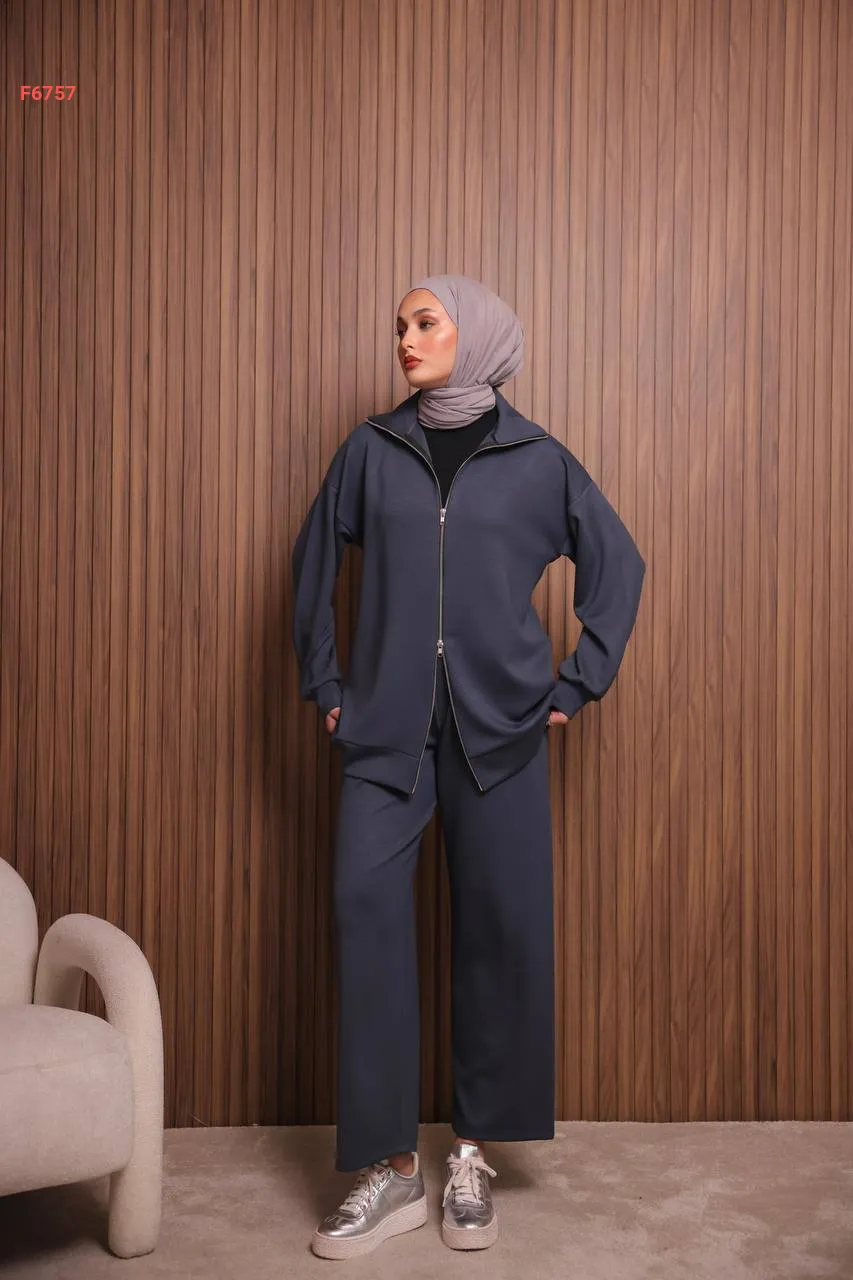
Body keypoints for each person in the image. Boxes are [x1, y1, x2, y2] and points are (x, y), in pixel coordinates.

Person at [291, 274, 646, 1259]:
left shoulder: (538, 460)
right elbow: (311, 564)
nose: (405, 339)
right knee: (365, 913)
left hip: (501, 731)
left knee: (499, 931)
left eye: (425, 322)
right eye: (399, 325)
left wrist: (577, 682)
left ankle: (471, 1155)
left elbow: (617, 564)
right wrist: (326, 679)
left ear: (474, 335)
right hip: (385, 730)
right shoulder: (371, 450)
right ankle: (389, 1166)